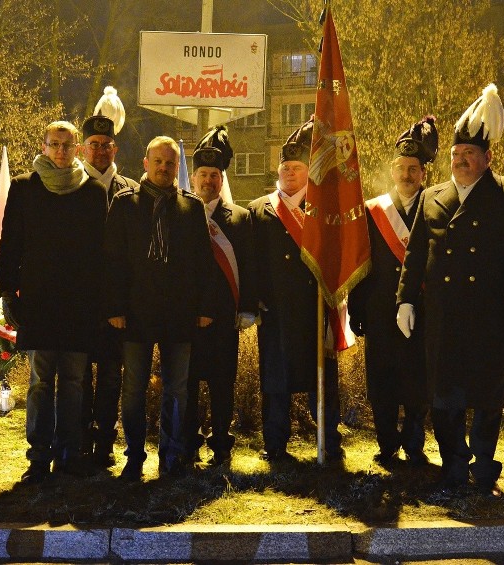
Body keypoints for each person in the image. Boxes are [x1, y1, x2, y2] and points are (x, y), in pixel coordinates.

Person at [396, 84, 504, 497]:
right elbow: (415, 253)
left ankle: (483, 463)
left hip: (489, 314)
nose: (460, 162)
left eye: (469, 156)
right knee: (443, 395)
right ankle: (454, 464)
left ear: (487, 158)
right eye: (456, 156)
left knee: (486, 394)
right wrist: (405, 299)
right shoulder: (431, 196)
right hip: (441, 315)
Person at [0, 120, 107, 484]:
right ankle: (38, 457)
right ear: (43, 146)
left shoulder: (92, 192)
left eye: (67, 144)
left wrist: (101, 301)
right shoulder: (25, 188)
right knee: (41, 381)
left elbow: (101, 252)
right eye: (54, 144)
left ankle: (68, 453)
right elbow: (9, 245)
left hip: (79, 304)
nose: (61, 150)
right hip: (40, 303)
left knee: (74, 381)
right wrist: (7, 292)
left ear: (77, 148)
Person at [104, 136, 216, 481]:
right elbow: (112, 260)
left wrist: (204, 306)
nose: (164, 168)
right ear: (145, 163)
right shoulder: (125, 204)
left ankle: (171, 455)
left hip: (179, 314)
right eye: (158, 162)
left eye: (171, 163)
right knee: (134, 388)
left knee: (177, 389)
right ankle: (134, 456)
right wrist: (114, 306)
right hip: (135, 313)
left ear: (177, 167)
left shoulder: (191, 206)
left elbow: (203, 263)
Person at [248, 119, 345, 463]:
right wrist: (252, 302)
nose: (289, 172)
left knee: (321, 379)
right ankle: (275, 443)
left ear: (308, 171)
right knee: (275, 379)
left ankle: (328, 439)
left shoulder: (323, 209)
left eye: (297, 167)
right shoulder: (259, 209)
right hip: (274, 310)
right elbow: (251, 262)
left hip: (313, 310)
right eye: (285, 167)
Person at [348, 116, 438, 467]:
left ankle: (414, 442)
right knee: (382, 381)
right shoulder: (373, 211)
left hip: (424, 310)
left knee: (419, 379)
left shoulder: (437, 209)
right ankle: (386, 442)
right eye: (401, 168)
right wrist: (357, 310)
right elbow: (361, 263)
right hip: (380, 310)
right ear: (392, 170)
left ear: (423, 173)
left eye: (413, 169)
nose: (406, 175)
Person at [182, 126, 257, 466]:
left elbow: (250, 268)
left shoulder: (240, 218)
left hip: (225, 319)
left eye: (214, 174)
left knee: (221, 383)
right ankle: (188, 441)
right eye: (202, 174)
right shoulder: (179, 212)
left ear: (221, 177)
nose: (208, 180)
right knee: (187, 384)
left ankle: (222, 443)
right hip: (185, 316)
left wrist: (247, 308)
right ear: (193, 177)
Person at [79, 87, 139, 468]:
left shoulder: (131, 191)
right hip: (80, 302)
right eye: (94, 144)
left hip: (119, 304)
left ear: (116, 149)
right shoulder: (69, 187)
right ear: (85, 148)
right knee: (78, 375)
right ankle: (80, 438)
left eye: (107, 144)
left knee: (113, 375)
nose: (101, 150)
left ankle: (106, 440)